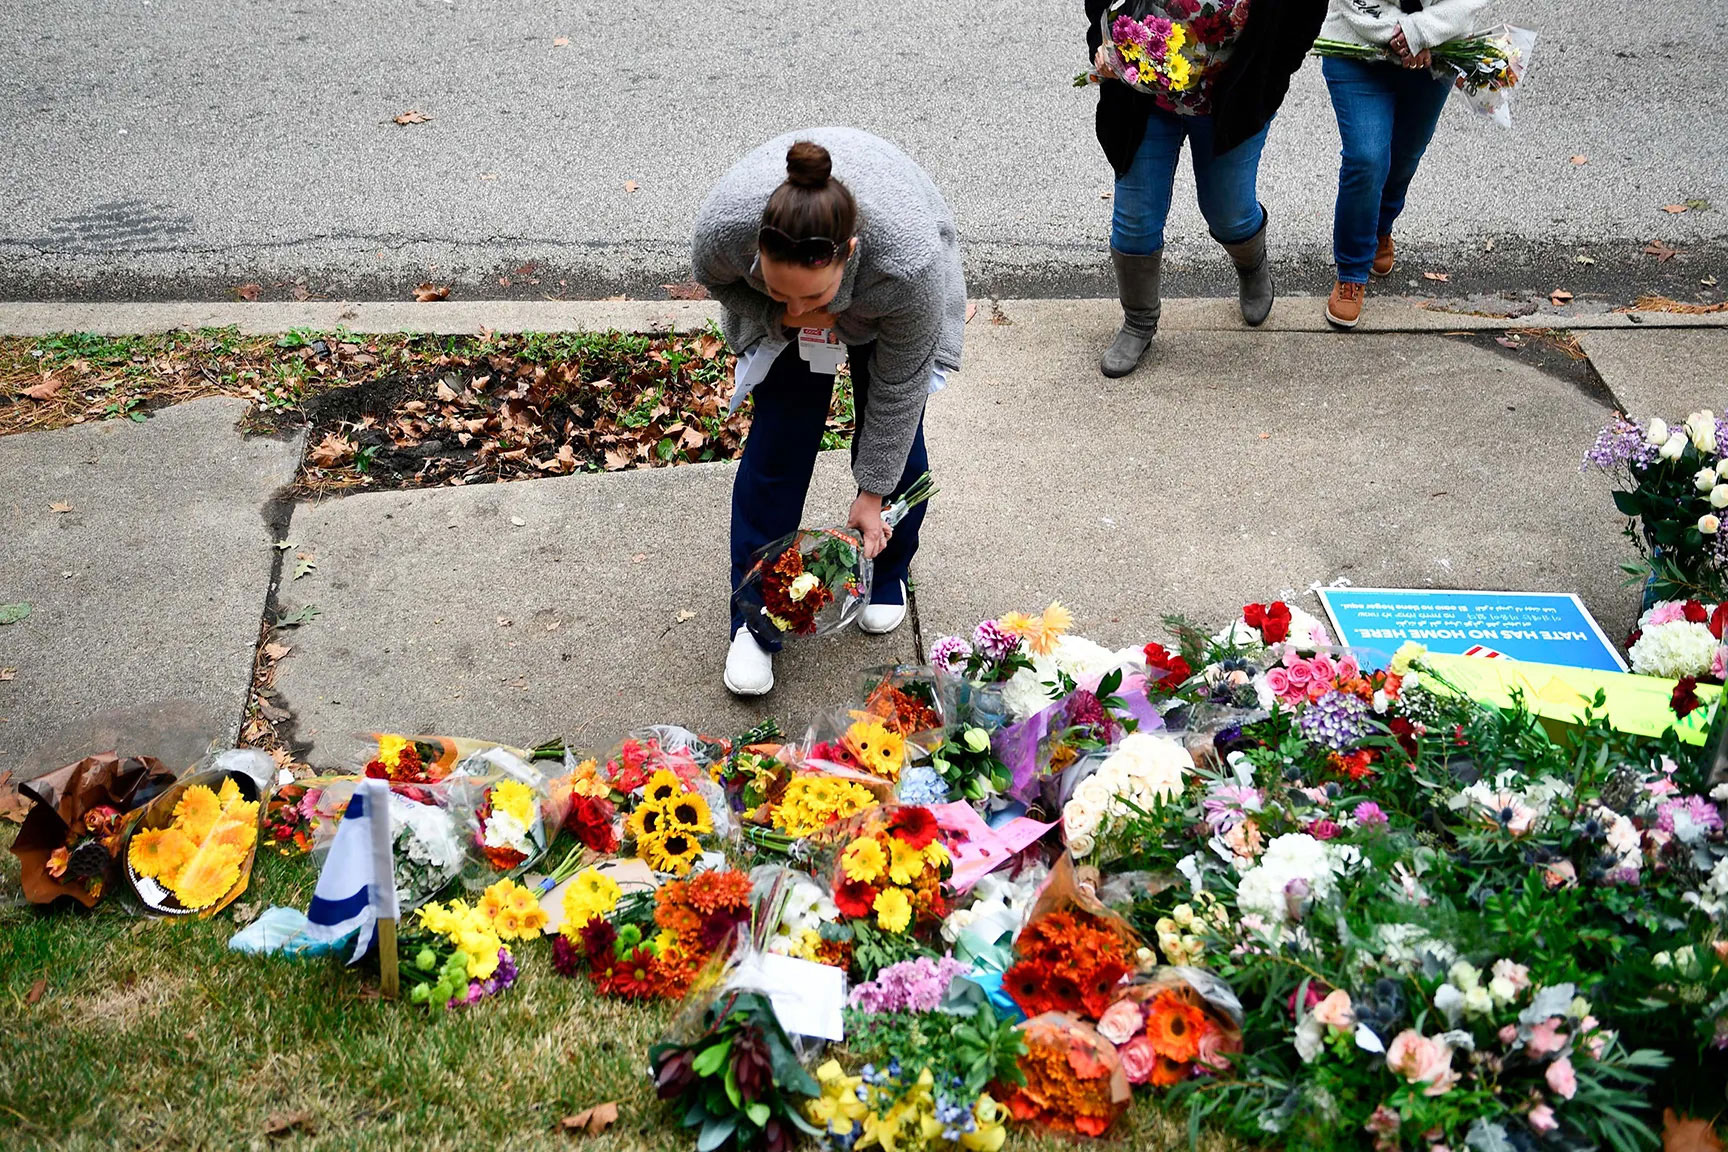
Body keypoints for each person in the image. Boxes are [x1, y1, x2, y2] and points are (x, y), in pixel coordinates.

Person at [693, 129, 966, 697]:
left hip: (885, 305)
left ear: (851, 254)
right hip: (803, 290)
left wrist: (872, 493)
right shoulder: (726, 229)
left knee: (896, 444)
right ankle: (755, 616)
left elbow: (898, 387)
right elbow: (715, 280)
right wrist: (780, 317)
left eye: (811, 298)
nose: (796, 309)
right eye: (778, 288)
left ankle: (885, 572)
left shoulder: (907, 265)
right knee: (777, 445)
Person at [1087, 0, 1327, 378]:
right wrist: (1107, 45)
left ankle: (1251, 265)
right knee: (1135, 220)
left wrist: (1272, 74)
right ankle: (1138, 321)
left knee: (1227, 212)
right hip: (1143, 98)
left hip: (1232, 101)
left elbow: (1303, 18)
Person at [1319, 0, 1489, 328]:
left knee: (1405, 155)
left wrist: (1421, 34)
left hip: (1436, 51)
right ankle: (1352, 270)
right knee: (1367, 159)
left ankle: (1380, 228)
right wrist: (1403, 37)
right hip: (1356, 43)